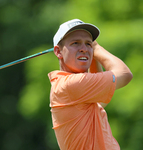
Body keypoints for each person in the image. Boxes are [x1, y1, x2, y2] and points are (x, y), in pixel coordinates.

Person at [48, 19, 133, 150]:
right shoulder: (71, 84)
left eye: (88, 44)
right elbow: (125, 74)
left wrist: (91, 55)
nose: (84, 49)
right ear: (58, 52)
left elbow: (99, 102)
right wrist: (97, 49)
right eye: (75, 43)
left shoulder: (70, 87)